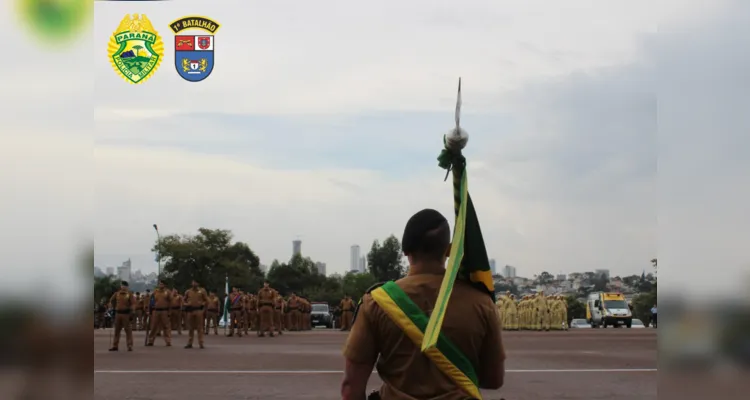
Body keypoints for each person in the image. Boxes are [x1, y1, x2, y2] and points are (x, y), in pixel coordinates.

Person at [341, 209, 505, 400]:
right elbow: (494, 380)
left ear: (405, 251)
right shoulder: (481, 303)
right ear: (449, 249)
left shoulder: (377, 302)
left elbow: (351, 388)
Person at [108, 281, 136, 351]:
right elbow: (111, 300)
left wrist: (132, 312)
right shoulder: (117, 294)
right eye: (122, 285)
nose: (123, 287)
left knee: (128, 331)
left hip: (126, 314)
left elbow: (133, 303)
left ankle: (129, 345)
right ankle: (115, 345)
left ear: (127, 287)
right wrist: (111, 307)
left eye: (124, 286)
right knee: (117, 331)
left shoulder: (129, 294)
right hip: (118, 314)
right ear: (120, 286)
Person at [183, 279, 209, 349]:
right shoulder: (188, 291)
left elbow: (206, 300)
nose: (194, 283)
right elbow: (183, 300)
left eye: (195, 282)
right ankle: (189, 343)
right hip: (190, 310)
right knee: (190, 328)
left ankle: (201, 343)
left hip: (199, 310)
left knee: (199, 328)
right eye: (193, 282)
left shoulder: (202, 291)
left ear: (198, 283)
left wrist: (203, 306)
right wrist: (186, 304)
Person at [146, 280, 173, 346]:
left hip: (164, 311)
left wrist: (169, 312)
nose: (160, 285)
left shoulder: (168, 292)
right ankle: (151, 341)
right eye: (160, 284)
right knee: (154, 326)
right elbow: (151, 302)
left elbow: (171, 302)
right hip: (156, 311)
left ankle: (168, 341)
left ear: (165, 285)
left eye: (162, 284)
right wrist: (149, 310)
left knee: (166, 327)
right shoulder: (155, 292)